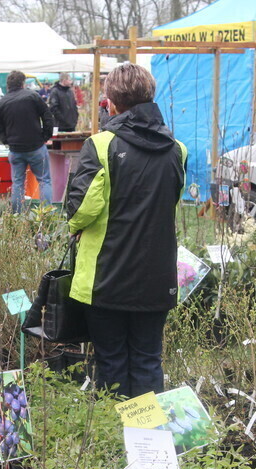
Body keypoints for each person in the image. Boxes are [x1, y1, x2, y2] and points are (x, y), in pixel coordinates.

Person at [66, 63, 187, 398]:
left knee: (112, 361)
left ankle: (118, 441)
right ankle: (150, 443)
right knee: (149, 360)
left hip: (107, 276)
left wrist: (76, 226)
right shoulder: (177, 150)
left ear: (111, 102)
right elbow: (172, 200)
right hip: (157, 276)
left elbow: (80, 210)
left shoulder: (101, 145)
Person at [0, 70, 54, 213]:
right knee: (44, 181)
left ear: (8, 85)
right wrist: (45, 136)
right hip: (36, 146)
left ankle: (17, 217)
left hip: (15, 149)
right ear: (23, 83)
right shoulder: (33, 96)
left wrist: (7, 141)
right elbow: (47, 116)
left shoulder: (2, 102)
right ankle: (45, 215)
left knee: (18, 184)